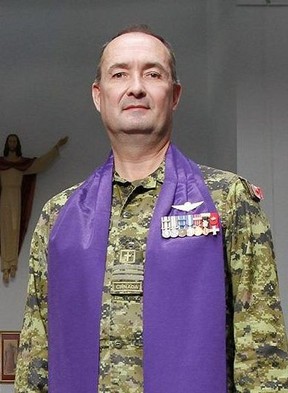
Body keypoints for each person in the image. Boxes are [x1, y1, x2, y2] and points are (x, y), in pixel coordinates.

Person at [15, 25, 288, 393]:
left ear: (174, 95)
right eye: (119, 74)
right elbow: (37, 350)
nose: (136, 87)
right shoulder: (59, 215)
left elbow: (262, 352)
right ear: (99, 95)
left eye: (153, 73)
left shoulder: (227, 200)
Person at [0, 134, 68, 283]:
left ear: (17, 144)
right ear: (7, 144)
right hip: (5, 196)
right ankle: (5, 266)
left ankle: (12, 264)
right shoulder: (1, 163)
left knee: (14, 228)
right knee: (4, 229)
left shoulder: (22, 164)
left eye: (14, 141)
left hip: (17, 196)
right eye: (10, 141)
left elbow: (41, 162)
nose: (12, 143)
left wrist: (56, 147)